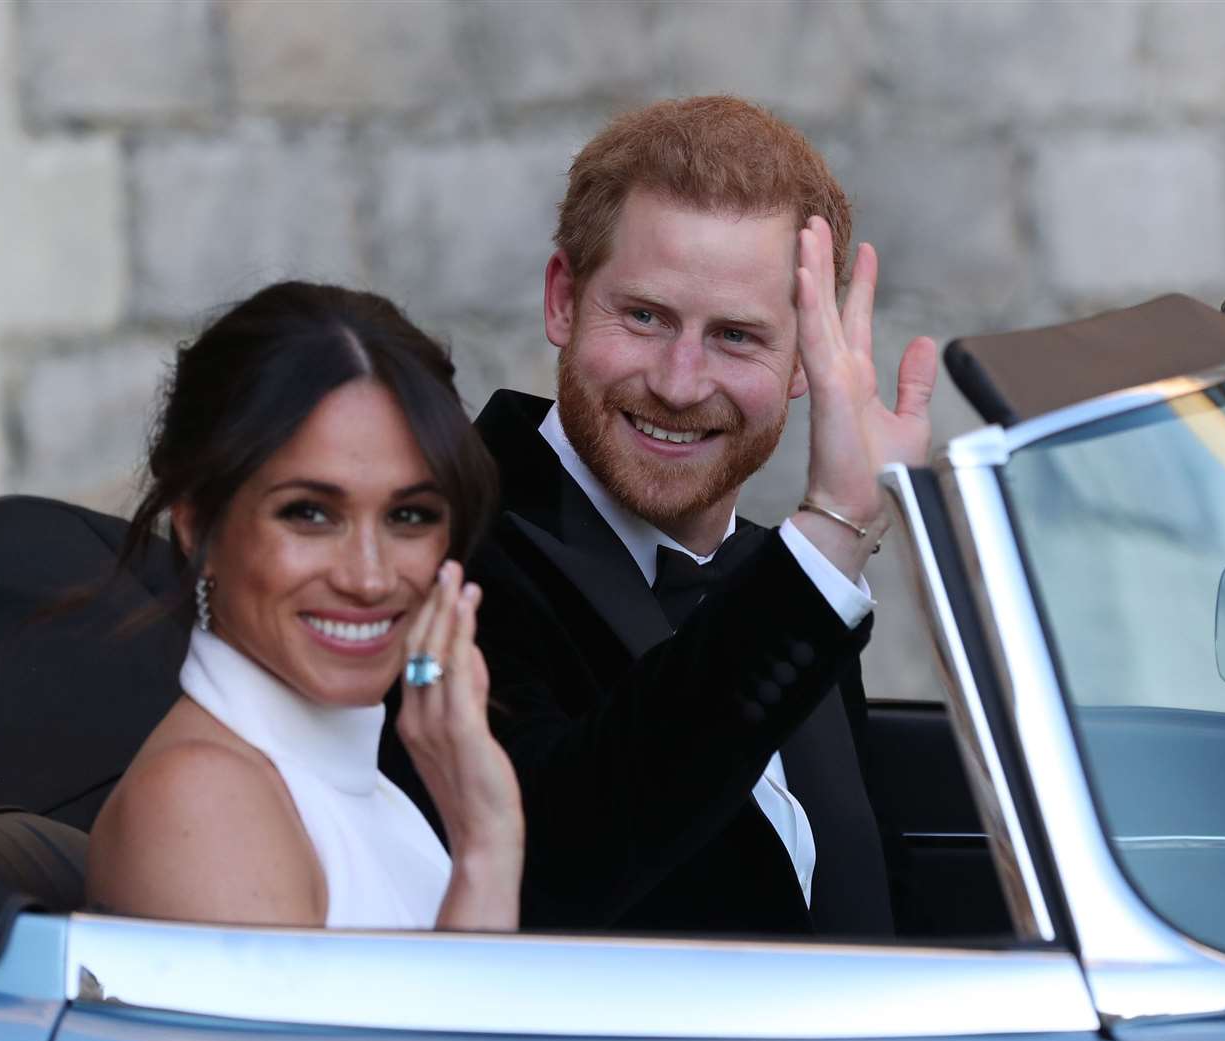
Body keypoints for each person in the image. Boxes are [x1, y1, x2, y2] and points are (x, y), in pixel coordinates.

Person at [382, 97, 938, 935]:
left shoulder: (778, 576)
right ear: (564, 300)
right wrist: (830, 536)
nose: (679, 383)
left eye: (737, 337)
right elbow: (555, 867)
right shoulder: (440, 547)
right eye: (644, 317)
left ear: (803, 362)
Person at [86, 282, 523, 931]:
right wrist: (487, 851)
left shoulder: (365, 790)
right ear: (197, 524)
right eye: (310, 514)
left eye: (409, 516)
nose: (369, 578)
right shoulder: (203, 802)